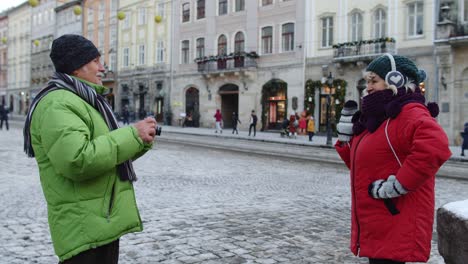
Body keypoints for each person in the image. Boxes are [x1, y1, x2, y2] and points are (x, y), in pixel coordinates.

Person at [23, 34, 156, 264]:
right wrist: (132, 134)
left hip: (99, 218)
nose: (102, 68)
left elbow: (105, 154)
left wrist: (140, 139)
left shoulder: (83, 100)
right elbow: (78, 160)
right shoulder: (59, 103)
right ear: (76, 67)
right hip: (83, 226)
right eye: (95, 61)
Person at [335, 54, 451, 264]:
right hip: (379, 220)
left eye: (374, 81)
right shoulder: (378, 118)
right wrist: (346, 141)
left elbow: (436, 146)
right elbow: (362, 166)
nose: (367, 87)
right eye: (367, 81)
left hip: (396, 218)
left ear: (396, 80)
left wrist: (399, 184)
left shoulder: (409, 112)